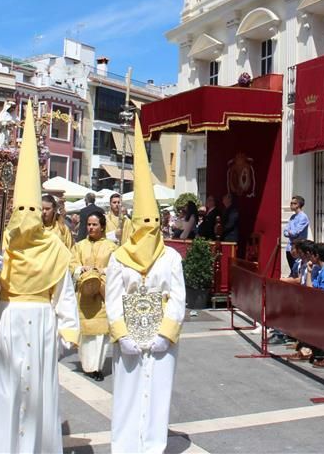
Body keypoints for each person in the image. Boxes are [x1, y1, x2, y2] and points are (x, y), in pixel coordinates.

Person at [0, 101, 79, 454]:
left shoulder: (54, 247)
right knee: (6, 391)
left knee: (38, 395)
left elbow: (65, 295)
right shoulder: (2, 243)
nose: (24, 216)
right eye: (20, 209)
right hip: (8, 321)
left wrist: (65, 336)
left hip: (41, 325)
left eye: (31, 210)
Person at [106, 115, 185, 454]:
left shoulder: (171, 258)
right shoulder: (118, 257)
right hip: (129, 334)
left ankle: (153, 446)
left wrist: (166, 333)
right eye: (144, 221)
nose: (150, 228)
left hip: (159, 335)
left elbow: (179, 298)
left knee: (158, 394)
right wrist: (122, 334)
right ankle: (124, 447)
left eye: (155, 221)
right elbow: (112, 298)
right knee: (126, 393)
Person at [71, 208, 117, 381]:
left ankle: (96, 366)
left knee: (100, 334)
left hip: (102, 295)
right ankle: (87, 365)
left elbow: (116, 268)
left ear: (102, 227)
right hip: (84, 295)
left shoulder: (112, 247)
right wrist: (80, 269)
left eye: (94, 224)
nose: (91, 228)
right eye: (88, 224)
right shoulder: (79, 246)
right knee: (86, 333)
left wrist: (102, 271)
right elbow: (72, 263)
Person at [284, 196, 309, 269]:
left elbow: (295, 233)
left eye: (293, 203)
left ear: (298, 205)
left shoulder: (303, 217)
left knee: (297, 270)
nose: (290, 205)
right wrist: (289, 232)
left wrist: (289, 232)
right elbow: (285, 232)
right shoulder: (292, 217)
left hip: (298, 249)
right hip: (289, 248)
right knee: (292, 270)